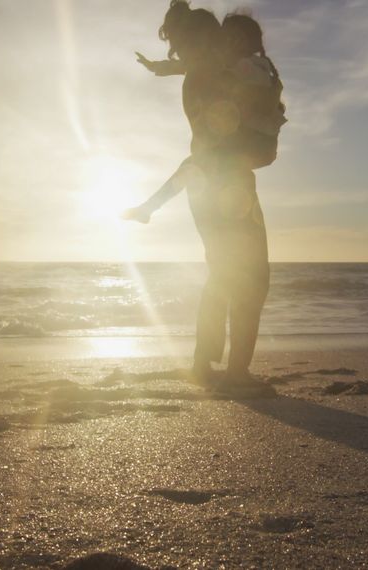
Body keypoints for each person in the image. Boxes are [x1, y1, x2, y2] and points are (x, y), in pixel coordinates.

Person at [130, 1, 273, 393]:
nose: (226, 46)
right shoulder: (213, 76)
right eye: (218, 40)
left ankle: (203, 366)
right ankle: (236, 374)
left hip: (206, 188)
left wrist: (152, 204)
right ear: (207, 43)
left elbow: (195, 157)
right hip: (228, 186)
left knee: (223, 275)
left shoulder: (197, 76)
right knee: (250, 278)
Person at [124, 12, 285, 224]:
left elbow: (203, 69)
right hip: (244, 146)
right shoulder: (240, 64)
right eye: (226, 37)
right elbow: (189, 66)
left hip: (250, 142)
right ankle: (148, 208)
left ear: (249, 42)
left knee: (194, 165)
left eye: (235, 37)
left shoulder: (251, 65)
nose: (228, 42)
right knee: (192, 165)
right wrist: (156, 66)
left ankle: (149, 208)